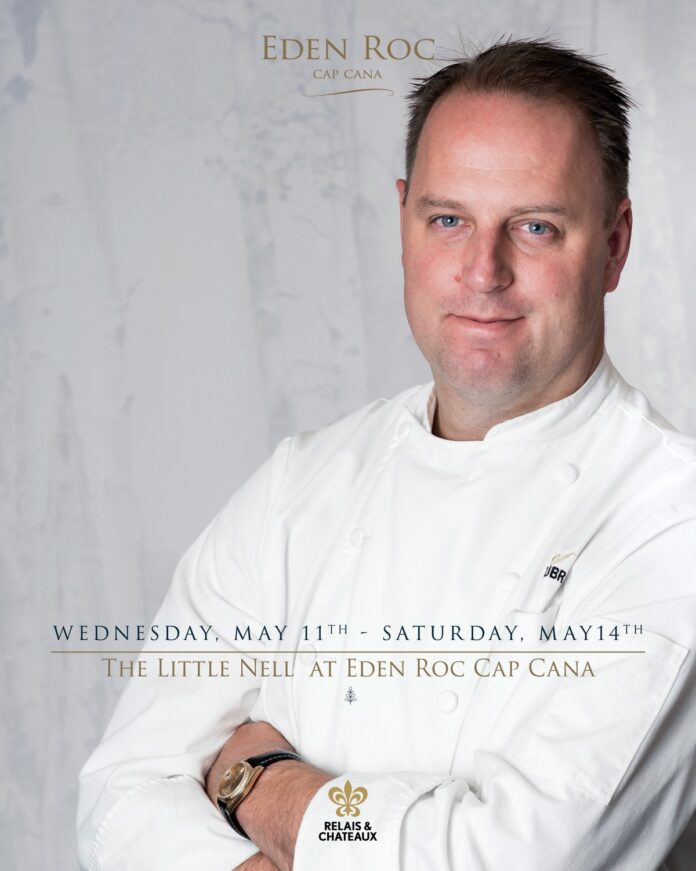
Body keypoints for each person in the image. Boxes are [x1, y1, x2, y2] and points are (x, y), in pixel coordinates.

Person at [77, 38, 696, 871]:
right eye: (449, 220)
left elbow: (519, 859)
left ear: (615, 245)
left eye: (536, 227)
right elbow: (120, 798)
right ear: (404, 221)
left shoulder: (671, 520)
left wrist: (259, 781)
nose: (484, 271)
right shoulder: (301, 484)